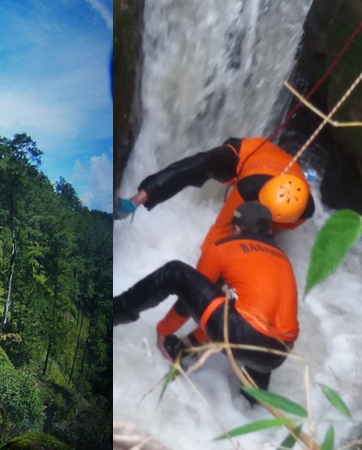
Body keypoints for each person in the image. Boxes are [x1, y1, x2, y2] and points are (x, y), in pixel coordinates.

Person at [113, 202, 297, 405]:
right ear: (269, 231)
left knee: (175, 271)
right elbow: (219, 308)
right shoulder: (283, 259)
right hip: (278, 354)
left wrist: (163, 331)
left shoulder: (223, 247)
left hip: (242, 333)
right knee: (250, 319)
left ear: (235, 229)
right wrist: (195, 340)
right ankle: (253, 407)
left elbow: (191, 300)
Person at [115, 137, 314, 251]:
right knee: (201, 164)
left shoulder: (305, 208)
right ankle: (136, 200)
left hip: (271, 167)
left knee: (257, 231)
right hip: (243, 153)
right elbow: (220, 228)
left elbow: (275, 227)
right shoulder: (248, 188)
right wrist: (205, 267)